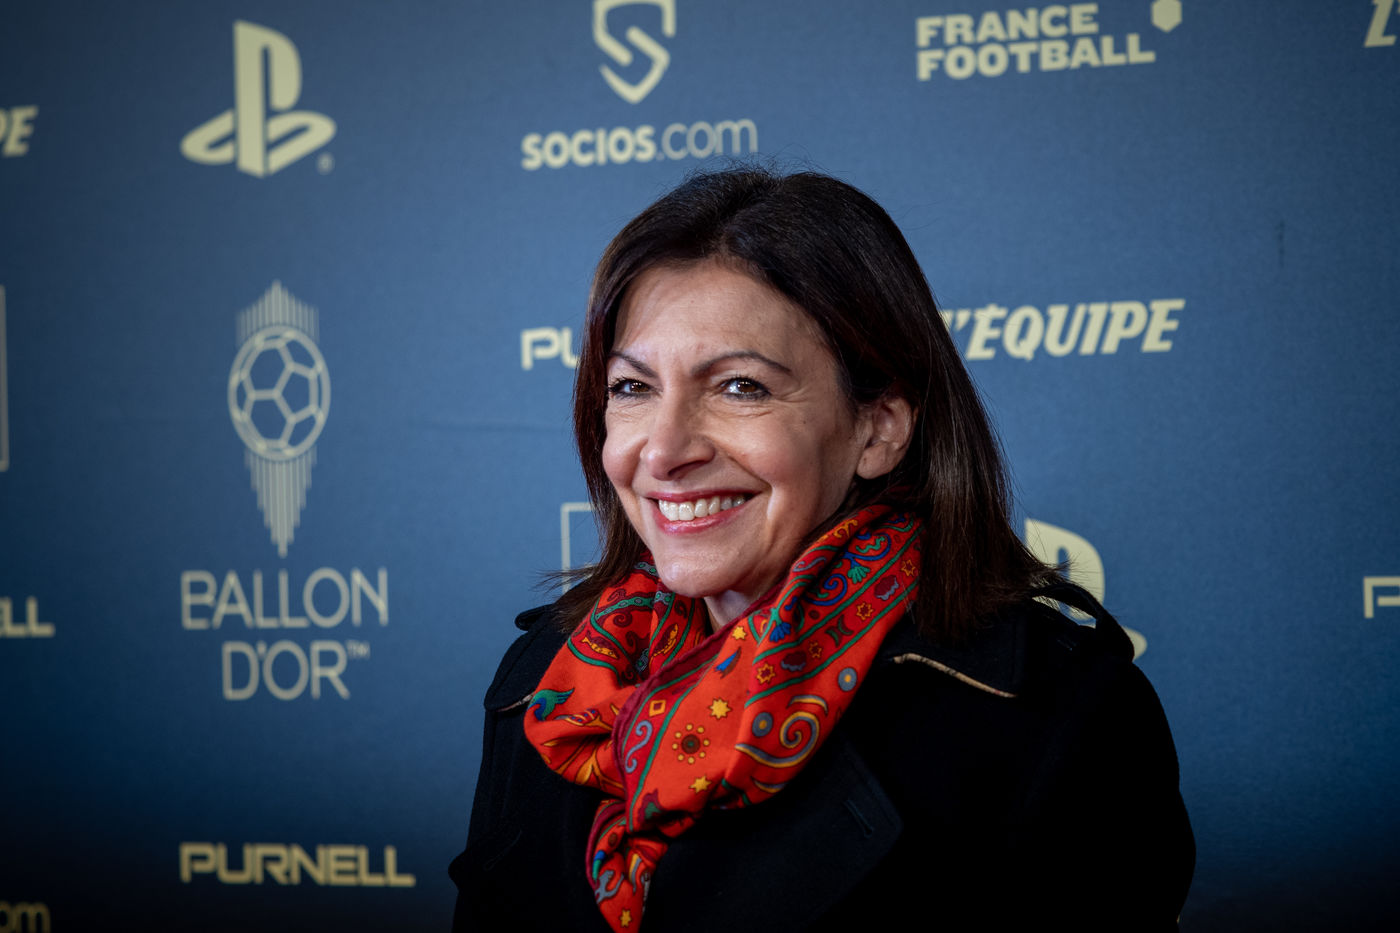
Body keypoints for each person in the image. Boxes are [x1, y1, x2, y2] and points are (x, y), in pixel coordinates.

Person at [451, 168, 1194, 931]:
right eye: (633, 388)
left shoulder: (1059, 719)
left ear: (879, 427)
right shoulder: (545, 679)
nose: (665, 450)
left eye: (740, 387)